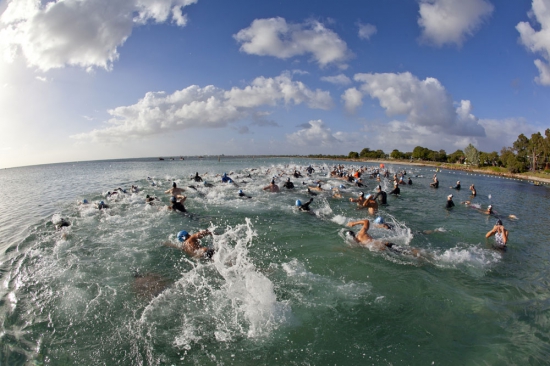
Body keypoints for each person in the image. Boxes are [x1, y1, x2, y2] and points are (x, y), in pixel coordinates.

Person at [346, 219, 421, 256]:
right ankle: (422, 254)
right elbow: (366, 221)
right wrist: (354, 223)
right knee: (408, 252)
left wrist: (353, 223)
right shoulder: (360, 235)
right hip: (385, 245)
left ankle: (422, 255)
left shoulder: (359, 238)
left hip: (385, 247)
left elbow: (366, 221)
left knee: (408, 253)